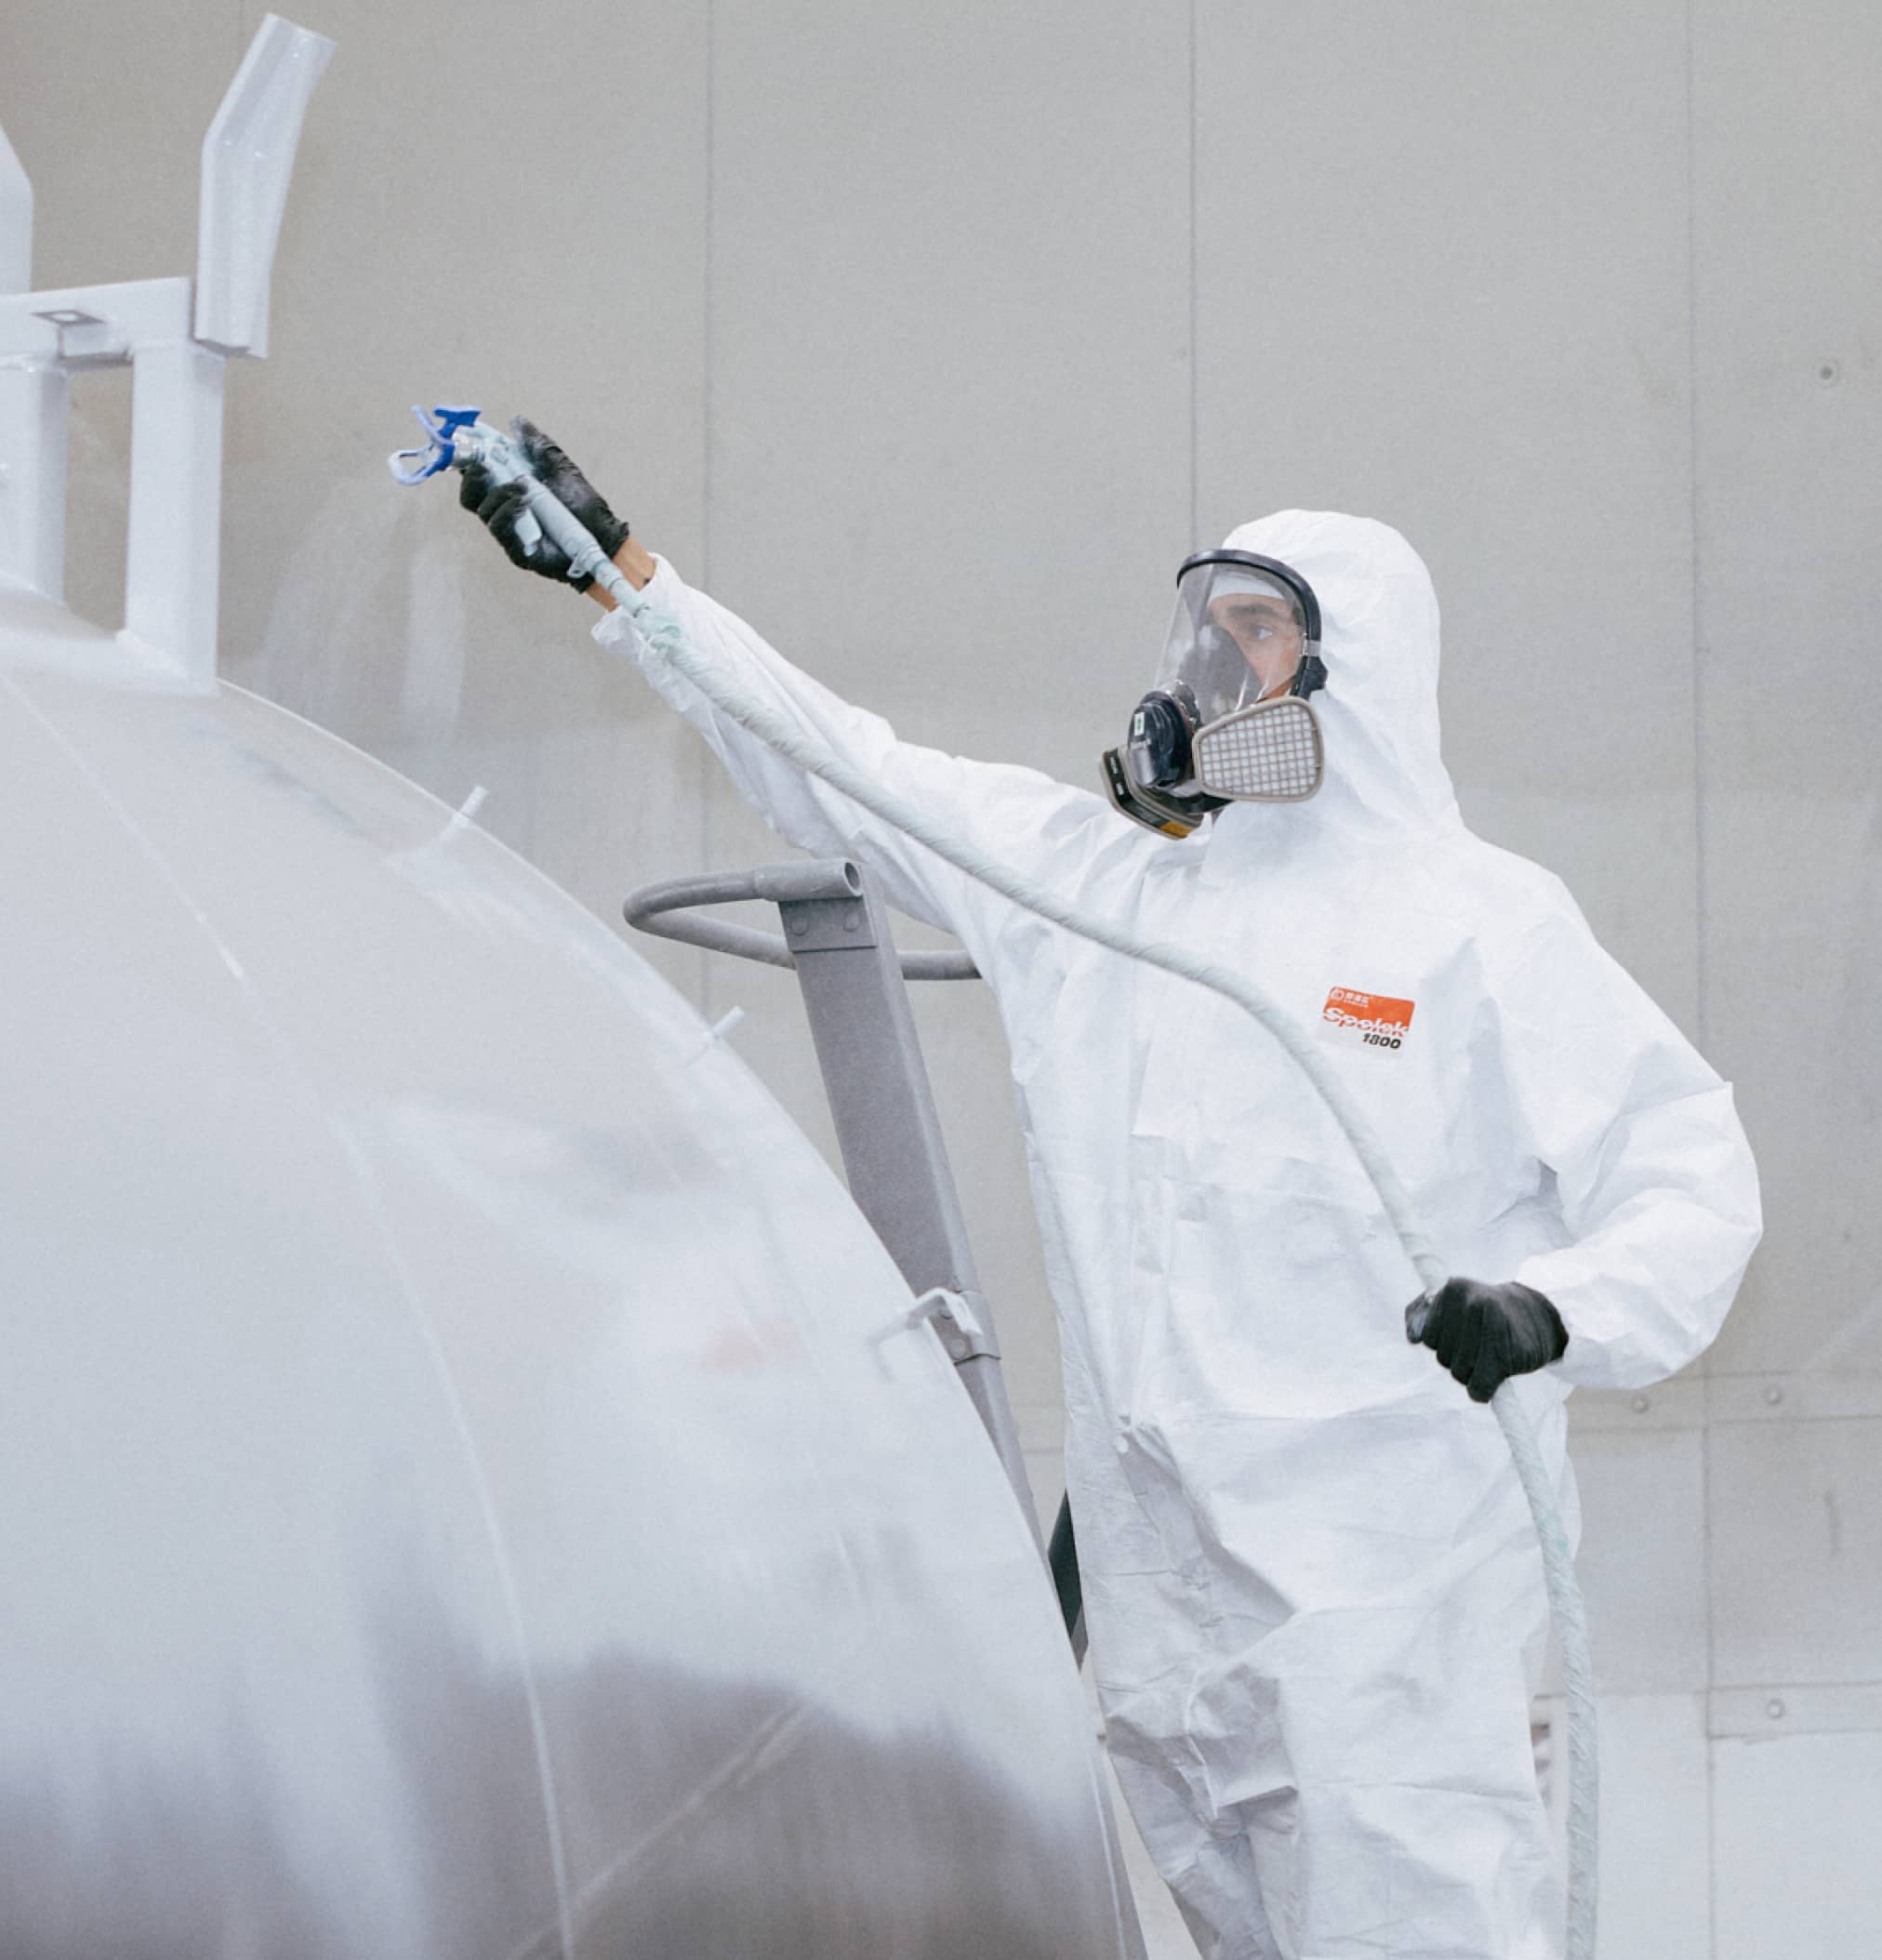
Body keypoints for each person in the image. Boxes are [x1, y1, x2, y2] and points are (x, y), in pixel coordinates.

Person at [462, 424, 1761, 1960]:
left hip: (1381, 1621)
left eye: (1260, 631)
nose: (1217, 671)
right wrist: (629, 582)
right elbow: (845, 768)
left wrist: (1553, 1307)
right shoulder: (1106, 895)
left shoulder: (1482, 927)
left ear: (1363, 666)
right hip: (1172, 1628)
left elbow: (1693, 1179)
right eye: (1206, 633)